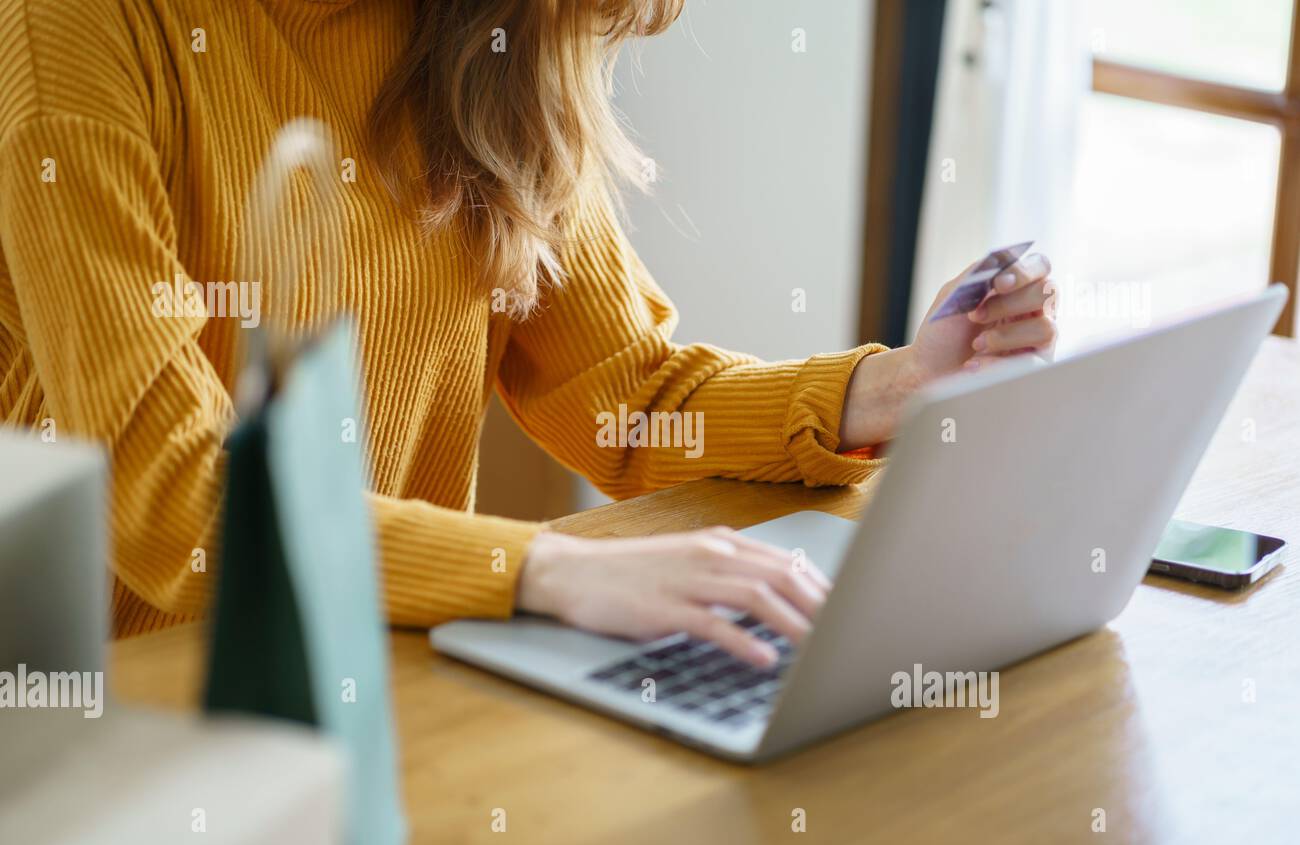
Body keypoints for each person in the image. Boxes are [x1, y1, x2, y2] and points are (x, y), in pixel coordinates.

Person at [0, 0, 1055, 666]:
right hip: (117, 710)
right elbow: (172, 498)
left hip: (388, 658)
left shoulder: (486, 32)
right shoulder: (76, 29)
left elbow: (627, 393)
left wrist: (888, 388)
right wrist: (541, 569)